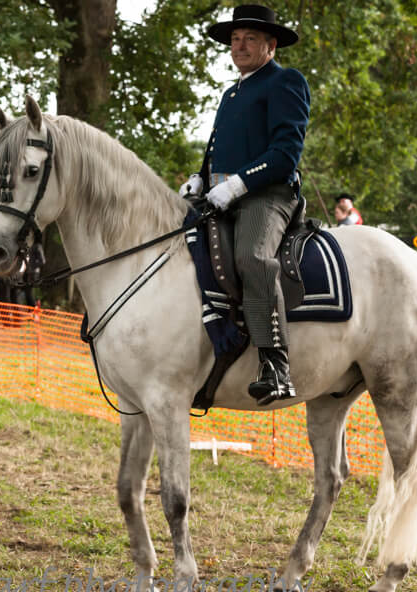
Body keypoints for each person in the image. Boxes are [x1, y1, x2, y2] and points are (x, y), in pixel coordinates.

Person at [179, 4, 309, 406]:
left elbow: (285, 153)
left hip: (268, 195)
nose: (239, 46)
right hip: (222, 194)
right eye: (235, 39)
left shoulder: (285, 81)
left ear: (271, 46)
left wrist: (238, 183)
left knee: (252, 257)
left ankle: (275, 366)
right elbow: (220, 148)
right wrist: (201, 177)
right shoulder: (231, 93)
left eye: (250, 38)